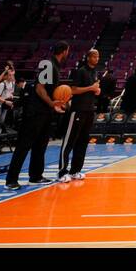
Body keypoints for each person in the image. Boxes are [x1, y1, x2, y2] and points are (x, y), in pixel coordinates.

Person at [5, 42, 70, 191]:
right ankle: (11, 180)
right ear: (65, 51)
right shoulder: (48, 63)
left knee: (40, 146)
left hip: (45, 111)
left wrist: (57, 104)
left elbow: (49, 90)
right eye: (68, 52)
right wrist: (52, 103)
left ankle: (35, 176)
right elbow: (39, 88)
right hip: (35, 112)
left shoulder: (55, 66)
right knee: (24, 146)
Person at [58, 49, 103, 181]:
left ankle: (75, 170)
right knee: (69, 141)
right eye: (94, 56)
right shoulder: (80, 71)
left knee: (82, 142)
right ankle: (62, 172)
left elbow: (93, 89)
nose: (97, 58)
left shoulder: (95, 72)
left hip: (89, 110)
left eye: (98, 56)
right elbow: (73, 90)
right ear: (88, 57)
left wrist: (97, 90)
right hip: (78, 110)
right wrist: (91, 88)